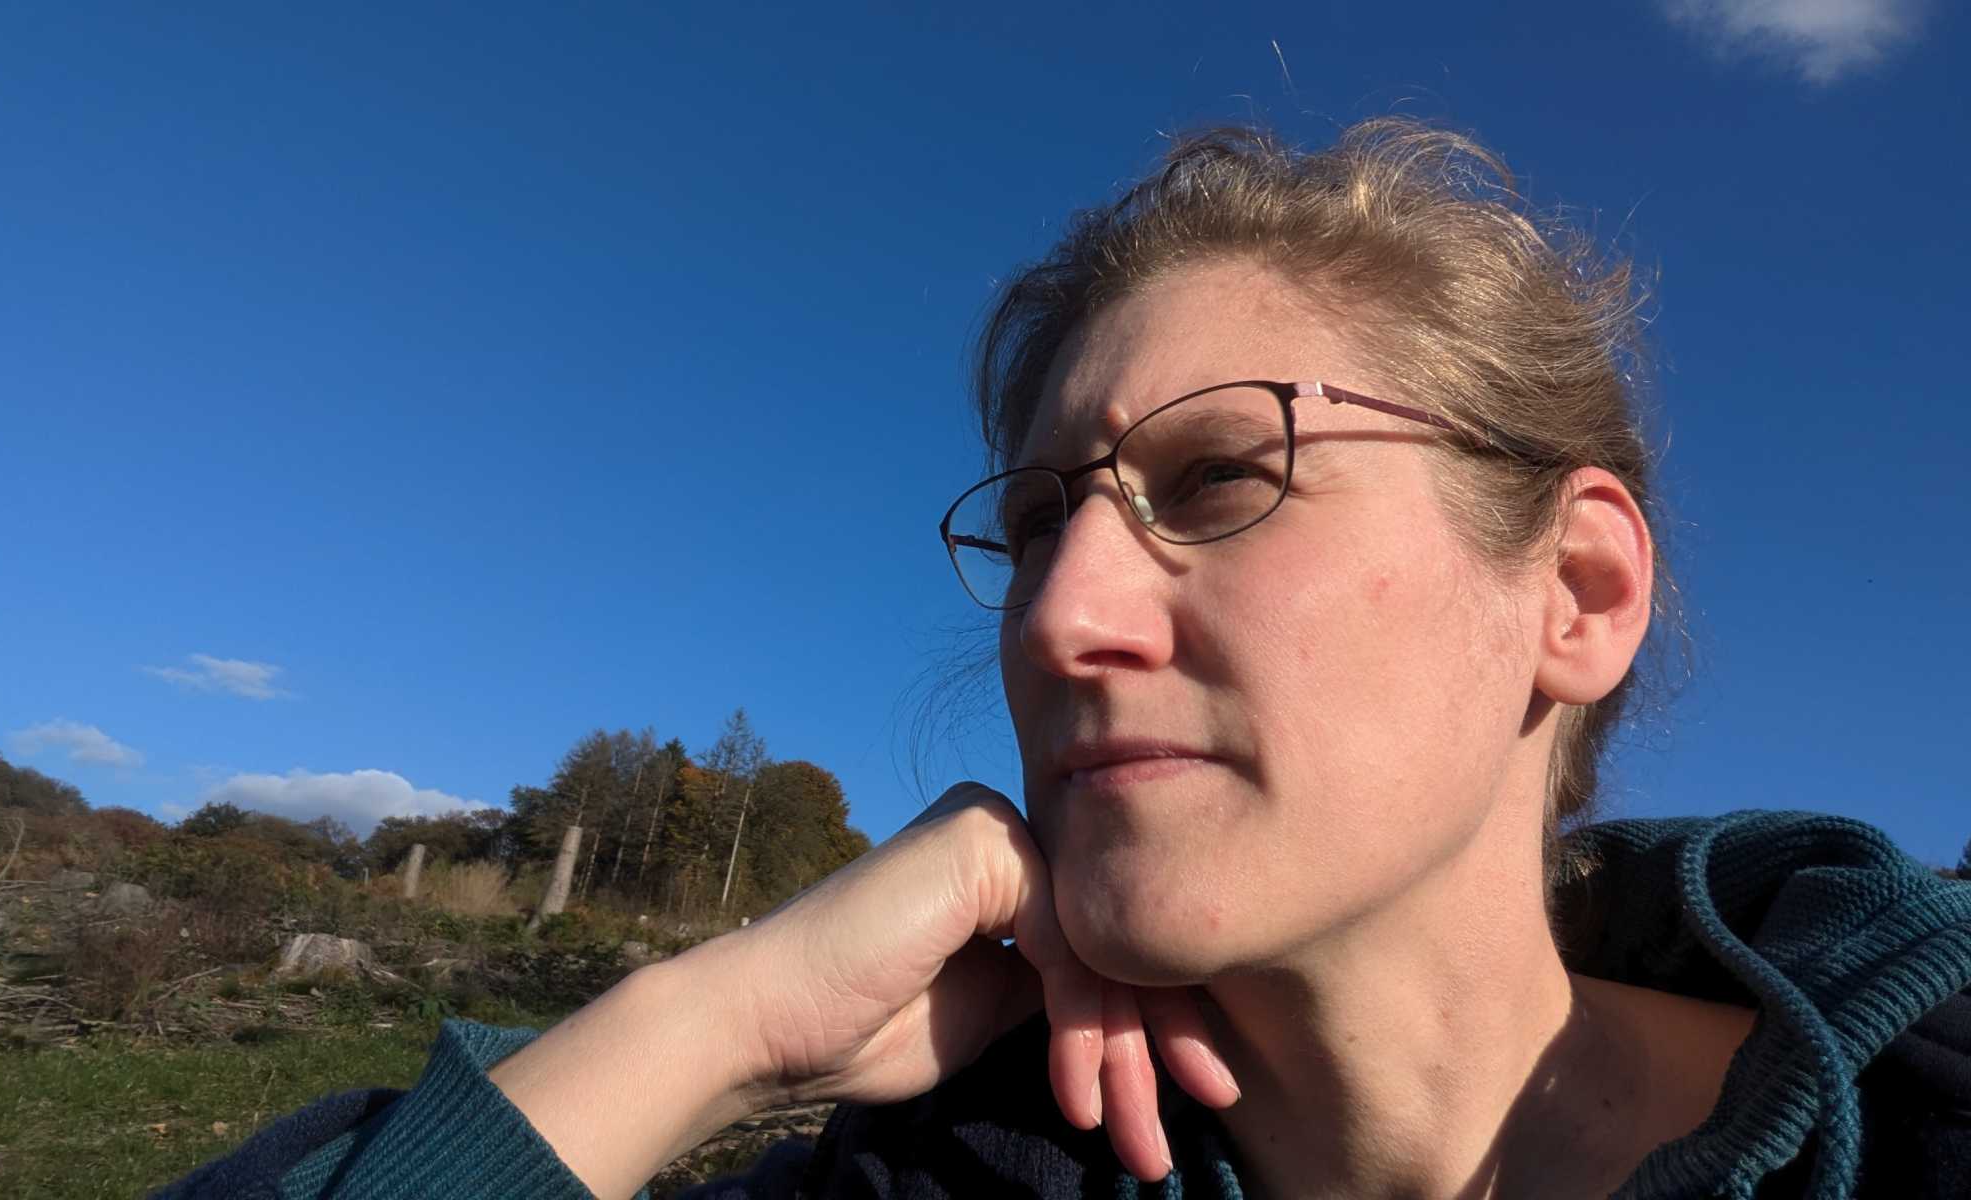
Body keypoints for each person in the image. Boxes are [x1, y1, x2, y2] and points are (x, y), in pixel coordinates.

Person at [157, 118, 1971, 1200]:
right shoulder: (942, 1177)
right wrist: (719, 1028)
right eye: (1036, 523)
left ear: (1573, 590)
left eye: (1221, 476)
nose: (1057, 614)